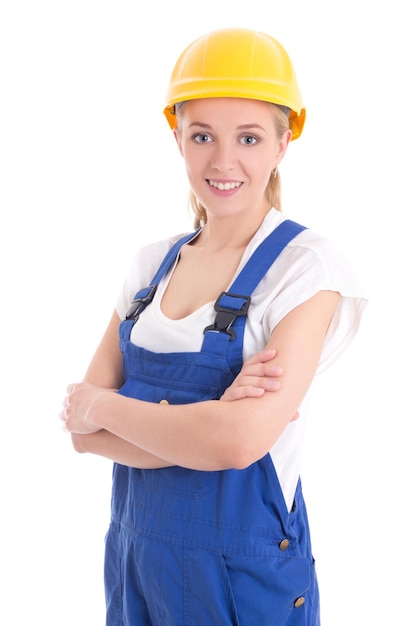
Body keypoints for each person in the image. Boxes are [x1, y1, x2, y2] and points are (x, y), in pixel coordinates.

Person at [60, 27, 367, 625]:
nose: (223, 162)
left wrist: (105, 405)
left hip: (239, 579)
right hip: (135, 565)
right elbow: (81, 435)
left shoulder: (306, 268)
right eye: (202, 136)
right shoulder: (150, 265)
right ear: (177, 137)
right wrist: (199, 422)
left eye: (249, 138)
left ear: (283, 143)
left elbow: (238, 443)